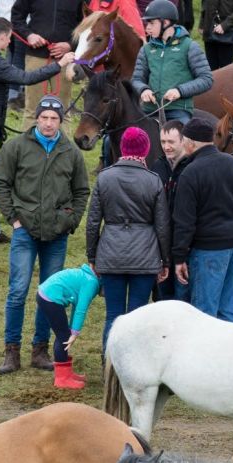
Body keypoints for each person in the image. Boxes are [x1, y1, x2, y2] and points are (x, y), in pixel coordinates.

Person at [0, 95, 90, 375]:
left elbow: (82, 191)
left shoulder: (71, 152)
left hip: (57, 235)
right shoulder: (16, 147)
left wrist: (70, 221)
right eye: (44, 118)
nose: (48, 123)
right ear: (37, 119)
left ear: (61, 121)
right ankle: (11, 351)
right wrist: (13, 218)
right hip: (25, 231)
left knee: (50, 294)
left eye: (54, 119)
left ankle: (40, 349)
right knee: (18, 290)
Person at [0, 18, 76, 249]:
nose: (10, 41)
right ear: (4, 36)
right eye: (9, 37)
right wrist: (60, 64)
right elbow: (25, 78)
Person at [85, 127, 171, 354]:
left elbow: (93, 222)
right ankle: (134, 367)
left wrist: (92, 256)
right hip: (144, 256)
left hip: (111, 254)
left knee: (113, 315)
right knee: (137, 315)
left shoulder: (104, 178)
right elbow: (162, 226)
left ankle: (109, 366)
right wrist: (165, 260)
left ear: (122, 148)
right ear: (146, 150)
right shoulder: (153, 181)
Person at [172, 118, 233, 322]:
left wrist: (179, 258)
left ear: (191, 143)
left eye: (183, 140)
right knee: (230, 311)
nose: (182, 144)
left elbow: (184, 222)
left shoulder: (190, 173)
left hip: (208, 251)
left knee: (205, 315)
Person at [131, 0, 213, 125]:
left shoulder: (190, 47)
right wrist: (143, 90)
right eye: (147, 23)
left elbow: (207, 79)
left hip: (178, 111)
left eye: (152, 23)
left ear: (166, 23)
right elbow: (136, 79)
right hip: (148, 110)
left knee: (182, 139)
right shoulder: (146, 49)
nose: (147, 27)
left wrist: (180, 91)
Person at [10, 0, 82, 129]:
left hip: (65, 58)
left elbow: (86, 25)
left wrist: (70, 45)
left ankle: (62, 148)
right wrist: (29, 35)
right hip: (36, 56)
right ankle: (29, 148)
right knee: (32, 109)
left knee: (63, 111)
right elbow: (16, 17)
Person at [35, 264, 101, 389]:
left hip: (46, 294)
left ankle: (67, 374)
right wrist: (74, 333)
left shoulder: (87, 277)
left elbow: (76, 304)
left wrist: (72, 329)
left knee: (64, 334)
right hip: (50, 298)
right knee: (63, 337)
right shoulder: (91, 282)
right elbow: (81, 309)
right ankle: (62, 379)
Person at [149, 119, 191, 301]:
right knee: (162, 296)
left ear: (183, 141)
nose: (166, 147)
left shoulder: (192, 167)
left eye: (171, 142)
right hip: (161, 243)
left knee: (183, 296)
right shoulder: (157, 167)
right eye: (163, 142)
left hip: (186, 243)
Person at [200, 0, 233, 69]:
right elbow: (205, 3)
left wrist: (225, 25)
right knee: (210, 69)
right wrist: (202, 23)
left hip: (229, 33)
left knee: (225, 70)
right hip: (209, 28)